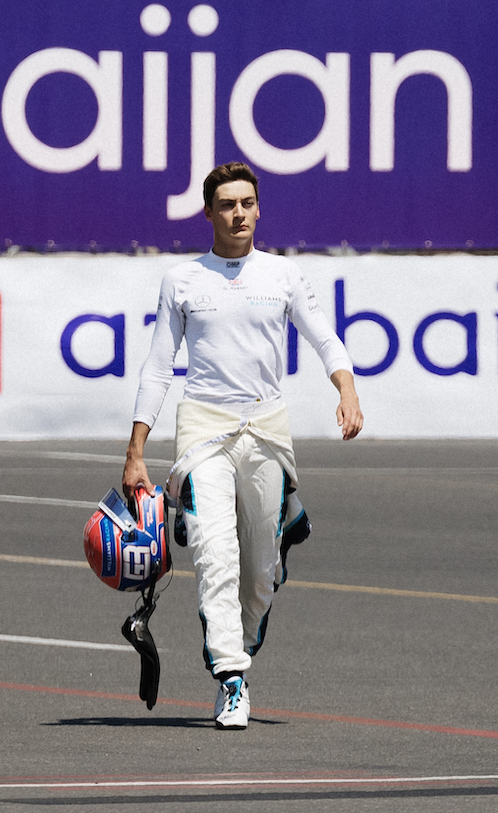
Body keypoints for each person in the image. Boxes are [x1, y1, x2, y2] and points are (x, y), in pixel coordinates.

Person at [122, 162, 363, 730]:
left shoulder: (282, 275)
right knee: (215, 558)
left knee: (259, 573)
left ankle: (277, 545)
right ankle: (231, 678)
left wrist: (347, 392)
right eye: (227, 204)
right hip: (204, 432)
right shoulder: (183, 280)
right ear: (208, 212)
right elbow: (158, 368)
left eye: (247, 203)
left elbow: (325, 339)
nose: (238, 213)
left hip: (267, 433)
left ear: (259, 209)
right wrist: (136, 450)